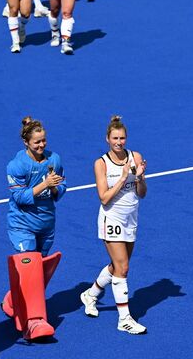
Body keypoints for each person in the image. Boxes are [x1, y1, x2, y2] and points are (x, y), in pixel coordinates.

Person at [80, 116, 148, 334]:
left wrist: (140, 178)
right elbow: (104, 198)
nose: (119, 142)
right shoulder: (101, 163)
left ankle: (90, 294)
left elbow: (142, 194)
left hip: (131, 218)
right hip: (112, 219)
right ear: (107, 139)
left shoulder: (135, 156)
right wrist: (122, 178)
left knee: (117, 265)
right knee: (123, 268)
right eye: (115, 138)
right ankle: (124, 319)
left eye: (122, 138)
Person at [4, 117, 66, 339]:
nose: (41, 146)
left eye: (43, 141)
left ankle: (14, 299)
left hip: (46, 224)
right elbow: (20, 197)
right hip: (22, 224)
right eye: (36, 142)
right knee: (31, 265)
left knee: (38, 272)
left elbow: (62, 185)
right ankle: (35, 322)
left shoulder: (54, 159)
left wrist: (57, 188)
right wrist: (45, 185)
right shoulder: (16, 165)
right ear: (25, 142)